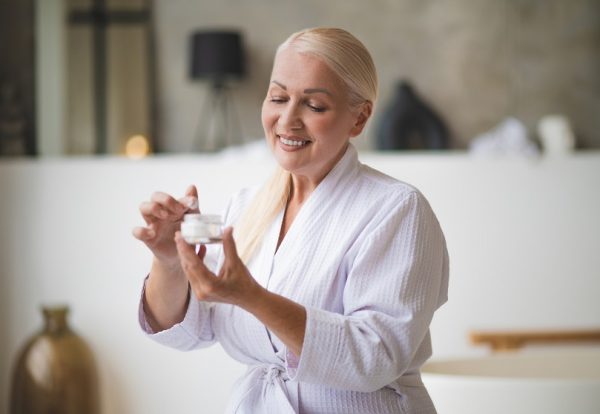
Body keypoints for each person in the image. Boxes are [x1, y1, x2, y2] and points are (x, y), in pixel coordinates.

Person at [133, 27, 449, 414]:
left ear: (359, 117)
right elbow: (190, 331)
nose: (287, 120)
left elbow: (376, 357)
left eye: (314, 106)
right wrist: (168, 261)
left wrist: (251, 296)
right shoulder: (247, 207)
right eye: (278, 97)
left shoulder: (397, 210)